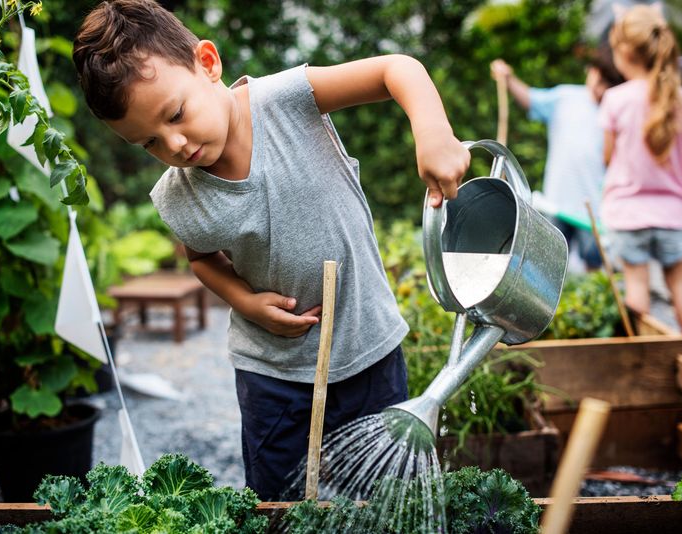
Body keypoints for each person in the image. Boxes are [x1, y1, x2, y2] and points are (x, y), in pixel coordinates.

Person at [72, 0, 470, 499]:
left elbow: (397, 69)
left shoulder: (287, 100)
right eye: (148, 142)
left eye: (176, 114)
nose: (173, 145)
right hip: (272, 374)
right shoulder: (179, 196)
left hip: (369, 348)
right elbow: (201, 259)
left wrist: (432, 131)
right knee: (276, 501)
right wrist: (244, 301)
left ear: (208, 64)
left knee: (385, 498)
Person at [600, 4, 682, 334]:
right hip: (672, 211)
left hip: (628, 212)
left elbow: (607, 157)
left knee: (636, 284)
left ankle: (639, 355)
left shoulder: (615, 99)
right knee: (678, 283)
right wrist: (681, 176)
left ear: (624, 51)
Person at [490, 48, 624, 271]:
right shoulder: (566, 97)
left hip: (594, 206)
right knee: (549, 264)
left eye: (607, 85)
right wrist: (509, 78)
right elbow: (532, 99)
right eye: (599, 80)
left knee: (595, 263)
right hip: (557, 201)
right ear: (591, 72)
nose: (601, 90)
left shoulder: (615, 109)